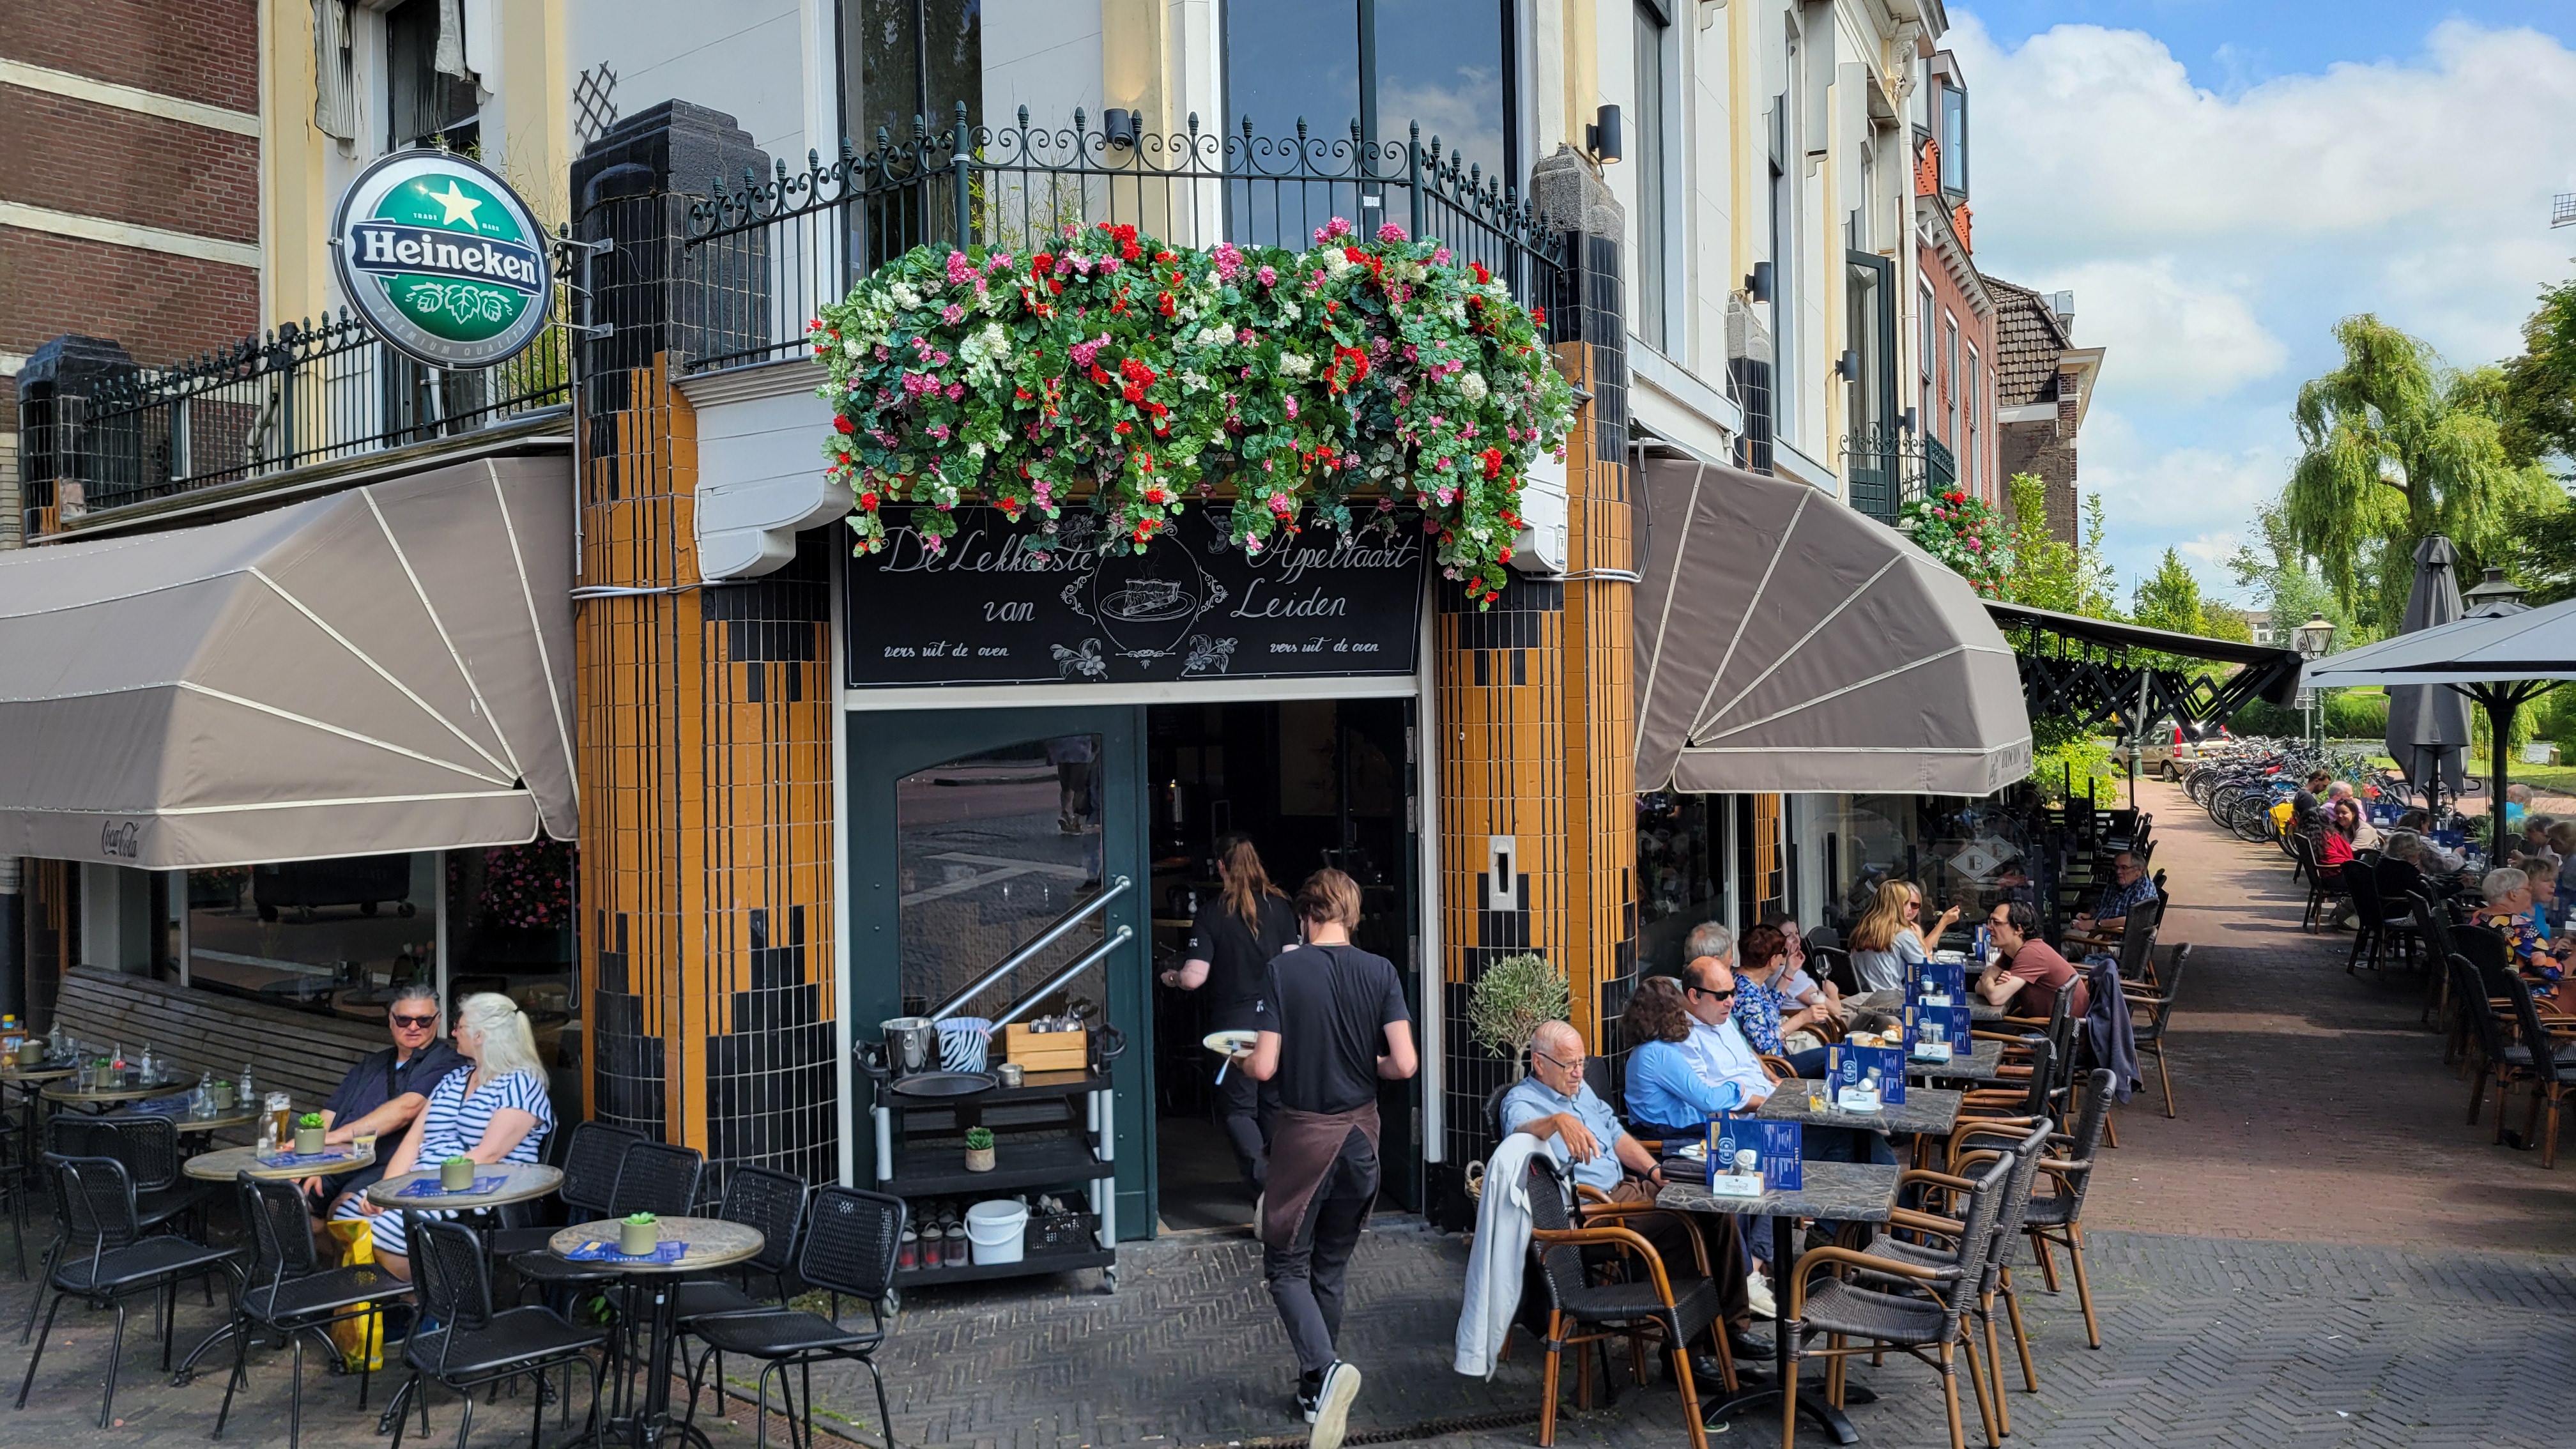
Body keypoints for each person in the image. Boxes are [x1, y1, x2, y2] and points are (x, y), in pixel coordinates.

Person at [1240, 870, 1416, 1449]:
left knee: (1285, 1266)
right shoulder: (1381, 971)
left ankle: (1326, 1368)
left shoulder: (1283, 971)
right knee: (1331, 1267)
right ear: (1351, 916)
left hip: (1306, 1139)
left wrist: (1240, 1058)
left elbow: (1265, 1066)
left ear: (1306, 916)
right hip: (1362, 1138)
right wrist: (1369, 1066)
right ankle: (1316, 1392)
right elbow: (1404, 1064)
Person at [332, 993, 554, 1281]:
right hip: (419, 1186)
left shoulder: (521, 1083)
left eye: (459, 1027)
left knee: (378, 1233)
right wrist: (385, 1192)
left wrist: (414, 1190)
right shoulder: (455, 1079)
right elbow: (413, 1141)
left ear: (480, 1036)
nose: (453, 1033)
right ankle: (396, 1299)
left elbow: (488, 1155)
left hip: (474, 1193)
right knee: (346, 1216)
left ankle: (425, 1299)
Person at [1164, 834, 1301, 1194]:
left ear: (1222, 867)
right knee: (1273, 1105)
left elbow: (1194, 978)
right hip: (1277, 1024)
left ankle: (1265, 1187)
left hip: (1233, 1029)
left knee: (1239, 1111)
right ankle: (1285, 1188)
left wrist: (1172, 977)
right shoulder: (1281, 907)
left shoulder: (1212, 913)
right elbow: (1294, 967)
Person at [298, 984, 468, 1215]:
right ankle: (313, 1234)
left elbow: (406, 1109)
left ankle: (321, 1232)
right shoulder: (372, 1063)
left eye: (424, 1021)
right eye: (404, 1020)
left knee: (344, 1210)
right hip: (338, 1159)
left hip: (384, 1164)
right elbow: (330, 1113)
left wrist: (330, 1139)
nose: (414, 1027)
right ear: (391, 1020)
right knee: (283, 1198)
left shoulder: (447, 1063)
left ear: (437, 1021)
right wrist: (311, 1158)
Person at [1732, 924, 1832, 1078]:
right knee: (1833, 1055)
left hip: (1776, 1059)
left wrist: (1789, 972)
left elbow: (1769, 1008)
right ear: (1773, 960)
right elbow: (1763, 1043)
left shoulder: (1749, 980)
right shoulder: (1747, 994)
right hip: (1771, 1067)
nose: (1783, 957)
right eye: (1783, 953)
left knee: (1833, 1054)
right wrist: (1802, 1018)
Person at [1976, 901, 2089, 1020]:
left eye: (1996, 923)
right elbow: (1978, 987)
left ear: (2018, 929)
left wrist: (1988, 978)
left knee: (1979, 1027)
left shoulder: (2031, 954)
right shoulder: (2010, 952)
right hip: (2046, 1024)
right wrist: (1993, 986)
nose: (1989, 927)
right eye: (1990, 922)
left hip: (2055, 1030)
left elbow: (1996, 998)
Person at [1849, 881, 1950, 993]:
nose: (1910, 909)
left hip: (1862, 998)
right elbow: (1927, 971)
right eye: (1907, 903)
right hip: (1890, 998)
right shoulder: (1902, 934)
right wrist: (1920, 940)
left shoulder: (1862, 931)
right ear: (1898, 906)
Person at [2072, 852, 2158, 939]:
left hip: (2111, 940)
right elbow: (2101, 904)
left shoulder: (2144, 889)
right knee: (2070, 927)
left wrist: (2096, 924)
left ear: (2139, 870)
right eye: (2116, 867)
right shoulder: (2116, 884)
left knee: (2066, 938)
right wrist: (2089, 914)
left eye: (2124, 868)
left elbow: (2134, 920)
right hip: (2096, 930)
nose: (2118, 871)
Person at [2476, 867, 2547, 969]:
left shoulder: (2477, 917)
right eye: (2528, 889)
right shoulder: (2520, 926)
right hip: (2516, 979)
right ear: (2513, 894)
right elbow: (2552, 971)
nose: (2530, 894)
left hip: (2483, 978)